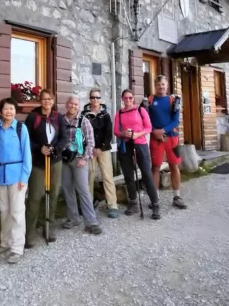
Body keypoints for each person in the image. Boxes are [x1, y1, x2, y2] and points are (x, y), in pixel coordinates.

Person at [0, 97, 32, 264]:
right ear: (1, 111)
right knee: (4, 211)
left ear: (15, 111)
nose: (9, 112)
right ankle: (5, 243)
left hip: (17, 176)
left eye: (12, 109)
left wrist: (24, 177)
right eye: (6, 109)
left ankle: (17, 247)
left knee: (17, 212)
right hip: (0, 175)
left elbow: (27, 155)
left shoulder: (21, 129)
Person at [24, 89, 68, 247]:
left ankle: (48, 227)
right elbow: (26, 139)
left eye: (49, 99)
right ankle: (29, 234)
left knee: (54, 194)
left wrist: (56, 149)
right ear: (40, 100)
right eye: (44, 99)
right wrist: (38, 148)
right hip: (38, 162)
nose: (47, 102)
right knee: (35, 197)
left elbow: (64, 137)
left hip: (55, 161)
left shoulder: (58, 117)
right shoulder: (33, 117)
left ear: (53, 100)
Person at [113, 89, 161, 220]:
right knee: (128, 174)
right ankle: (133, 202)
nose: (128, 100)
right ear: (122, 99)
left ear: (133, 98)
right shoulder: (119, 113)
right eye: (125, 98)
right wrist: (124, 134)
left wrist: (137, 134)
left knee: (146, 173)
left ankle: (155, 203)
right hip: (126, 145)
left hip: (140, 144)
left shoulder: (141, 110)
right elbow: (116, 131)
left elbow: (148, 127)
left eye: (130, 98)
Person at [61, 95, 103, 234]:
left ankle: (91, 222)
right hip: (64, 160)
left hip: (79, 159)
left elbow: (91, 142)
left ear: (79, 106)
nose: (73, 106)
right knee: (67, 189)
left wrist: (85, 159)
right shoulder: (60, 120)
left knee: (83, 190)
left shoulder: (83, 121)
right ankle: (73, 218)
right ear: (67, 104)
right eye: (71, 103)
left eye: (76, 104)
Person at [147, 75, 187, 210]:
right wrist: (154, 131)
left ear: (167, 85)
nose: (161, 87)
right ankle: (155, 198)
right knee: (156, 167)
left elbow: (176, 121)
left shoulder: (173, 100)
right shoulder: (150, 100)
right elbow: (146, 119)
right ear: (155, 86)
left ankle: (177, 196)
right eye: (158, 85)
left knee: (174, 166)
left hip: (172, 138)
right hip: (155, 139)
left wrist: (162, 131)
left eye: (163, 84)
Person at [81, 88, 118, 218]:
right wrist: (90, 148)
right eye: (92, 97)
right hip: (90, 150)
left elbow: (109, 134)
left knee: (107, 177)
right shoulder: (84, 115)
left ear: (100, 99)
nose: (95, 100)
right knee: (89, 177)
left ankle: (112, 205)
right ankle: (88, 205)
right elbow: (82, 133)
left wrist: (101, 148)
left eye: (97, 97)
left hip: (103, 149)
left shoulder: (105, 115)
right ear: (89, 99)